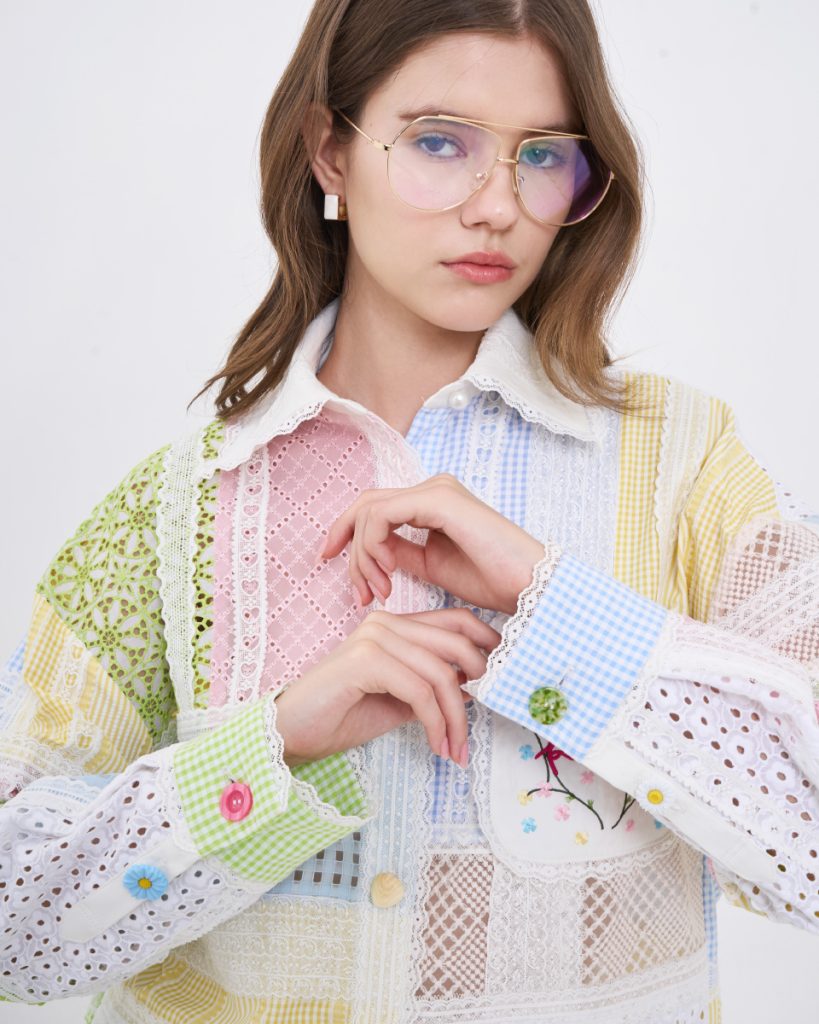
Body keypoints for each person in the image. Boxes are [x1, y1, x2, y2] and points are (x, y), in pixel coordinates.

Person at [2, 1, 818, 1021]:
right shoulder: (177, 508)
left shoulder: (684, 464)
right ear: (329, 151)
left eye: (543, 155)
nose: (498, 207)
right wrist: (271, 747)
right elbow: (13, 935)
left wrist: (557, 612)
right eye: (440, 143)